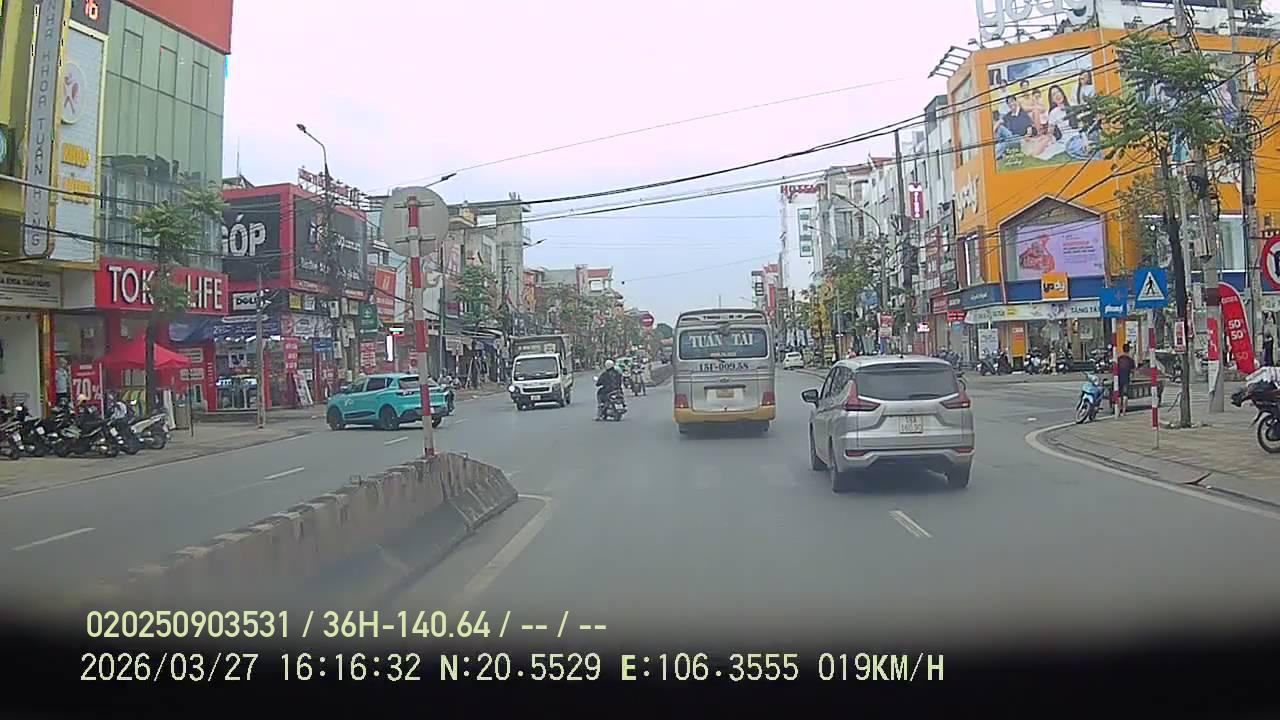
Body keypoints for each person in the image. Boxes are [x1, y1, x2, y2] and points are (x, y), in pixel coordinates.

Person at [1116, 343, 1137, 415]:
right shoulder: (1130, 360)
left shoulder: (1119, 359)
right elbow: (1133, 371)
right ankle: (1124, 411)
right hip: (1126, 379)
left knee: (1119, 395)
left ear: (1123, 349)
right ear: (1128, 350)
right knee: (1125, 395)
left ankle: (1118, 410)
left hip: (1118, 378)